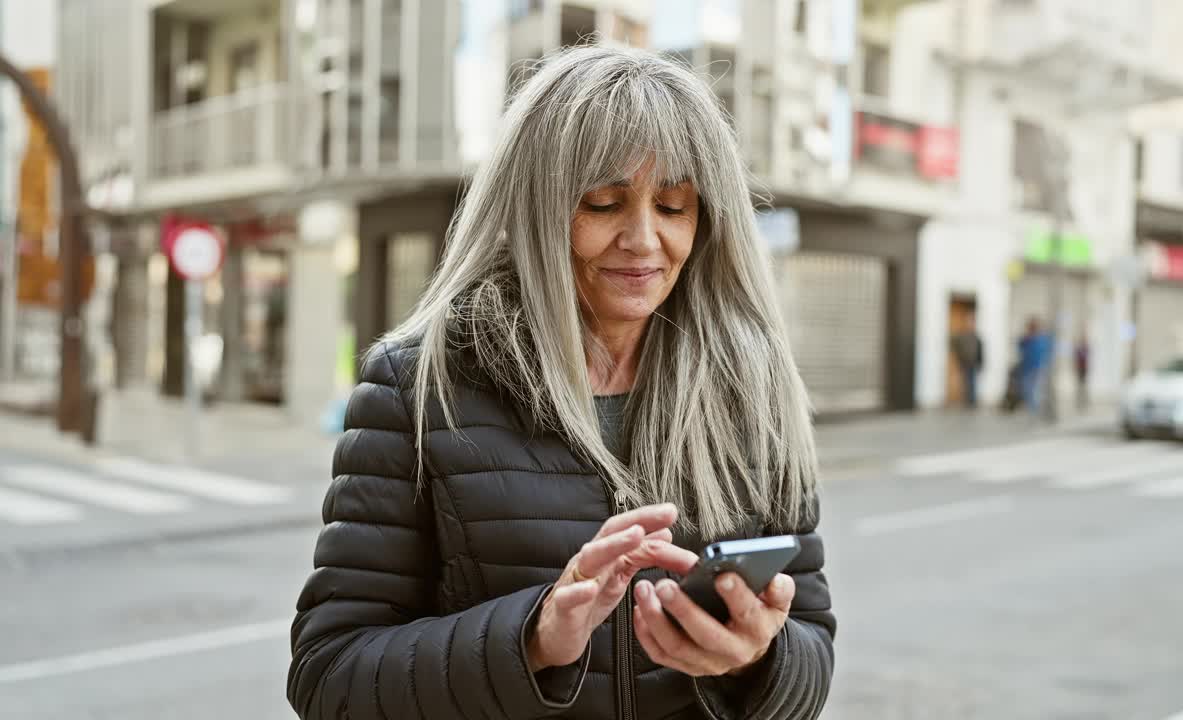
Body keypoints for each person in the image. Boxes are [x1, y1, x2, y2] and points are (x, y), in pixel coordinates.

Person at [286, 46, 834, 720]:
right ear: (536, 206)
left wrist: (758, 658)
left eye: (673, 206)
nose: (644, 239)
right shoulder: (415, 388)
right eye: (603, 203)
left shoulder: (754, 390)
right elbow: (328, 677)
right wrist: (535, 639)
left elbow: (812, 648)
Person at [1017, 317, 1051, 413]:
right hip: (1027, 368)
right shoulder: (1027, 338)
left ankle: (1034, 409)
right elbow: (1020, 347)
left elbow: (1045, 352)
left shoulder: (1041, 339)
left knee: (1034, 389)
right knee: (1027, 388)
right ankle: (1031, 408)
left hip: (1037, 368)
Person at [950, 318, 984, 409]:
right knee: (965, 382)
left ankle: (972, 402)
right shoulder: (962, 336)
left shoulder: (976, 337)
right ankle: (966, 400)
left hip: (974, 363)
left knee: (973, 383)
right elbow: (955, 345)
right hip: (965, 363)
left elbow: (980, 351)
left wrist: (981, 363)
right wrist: (959, 358)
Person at [1074, 334, 1090, 410]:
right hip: (1079, 369)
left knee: (1084, 385)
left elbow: (1087, 356)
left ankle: (1084, 401)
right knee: (1080, 386)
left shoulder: (1085, 348)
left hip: (1084, 369)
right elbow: (1076, 358)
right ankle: (1079, 401)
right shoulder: (1078, 349)